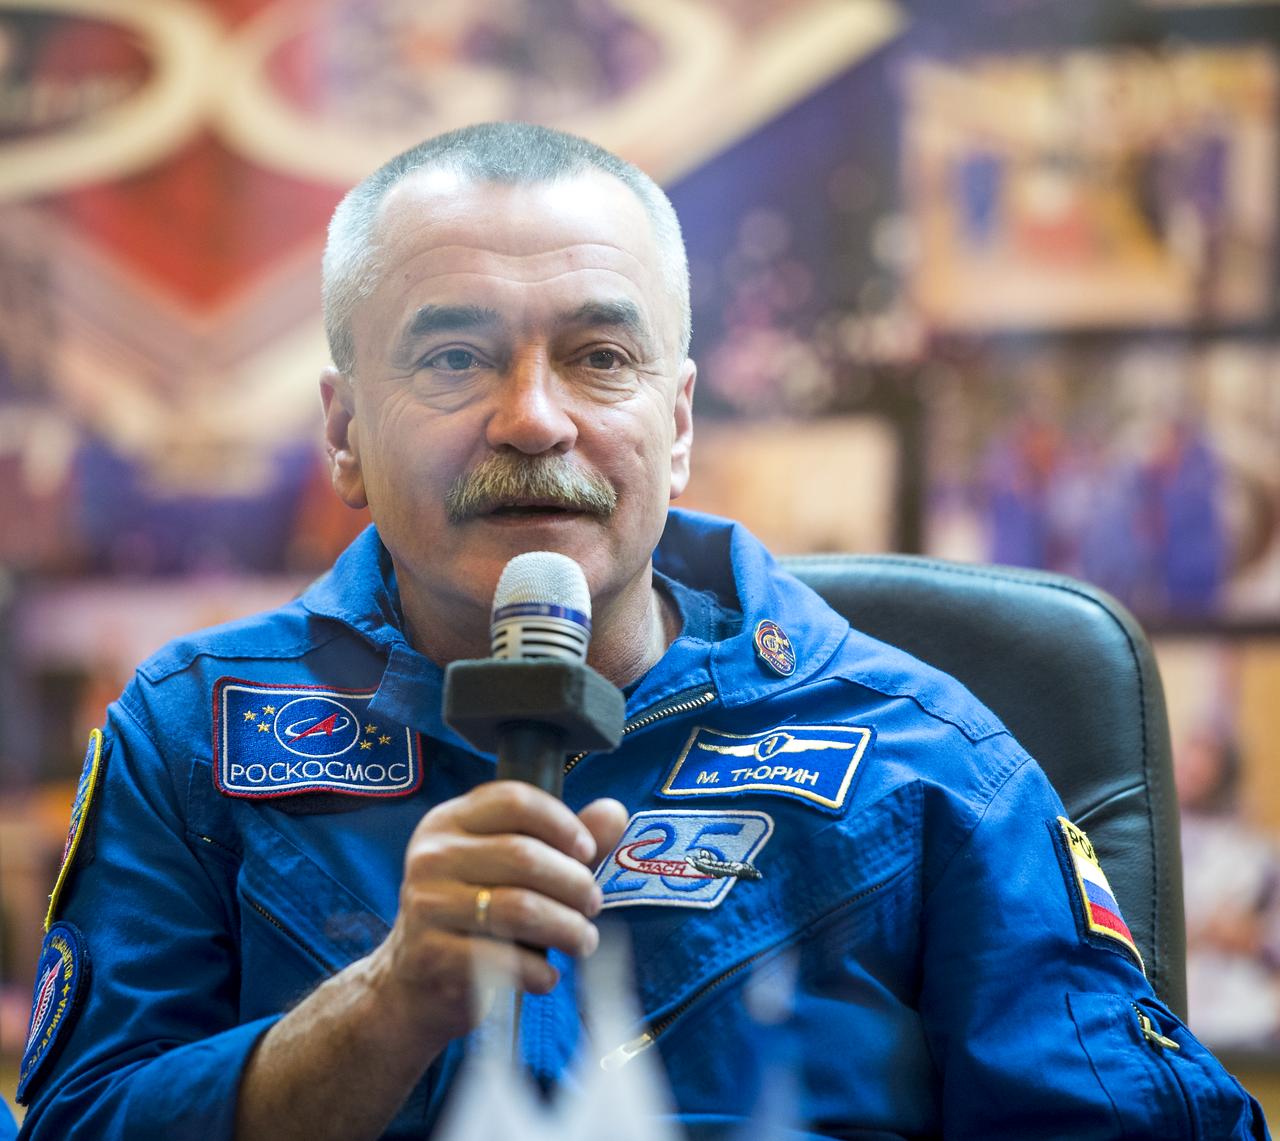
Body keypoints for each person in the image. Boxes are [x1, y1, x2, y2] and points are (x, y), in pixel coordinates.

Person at [14, 122, 1268, 1140]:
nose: (532, 419)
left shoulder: (925, 756)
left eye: (599, 355)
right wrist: (385, 1005)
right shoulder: (191, 735)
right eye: (452, 359)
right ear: (344, 433)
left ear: (675, 426)